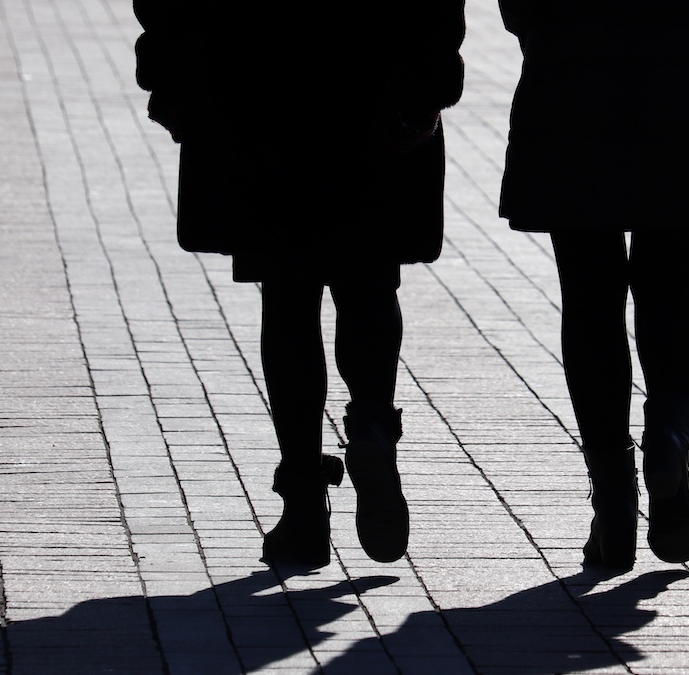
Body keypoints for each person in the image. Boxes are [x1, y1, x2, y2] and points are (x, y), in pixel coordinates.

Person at [133, 1, 466, 567]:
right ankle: (372, 425)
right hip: (375, 74)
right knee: (368, 281)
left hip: (257, 77)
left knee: (288, 293)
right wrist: (426, 83)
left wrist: (173, 76)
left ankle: (305, 506)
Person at [497, 0, 689, 568]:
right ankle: (668, 434)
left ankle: (613, 499)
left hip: (571, 80)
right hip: (684, 81)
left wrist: (543, 28)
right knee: (673, 281)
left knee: (589, 294)